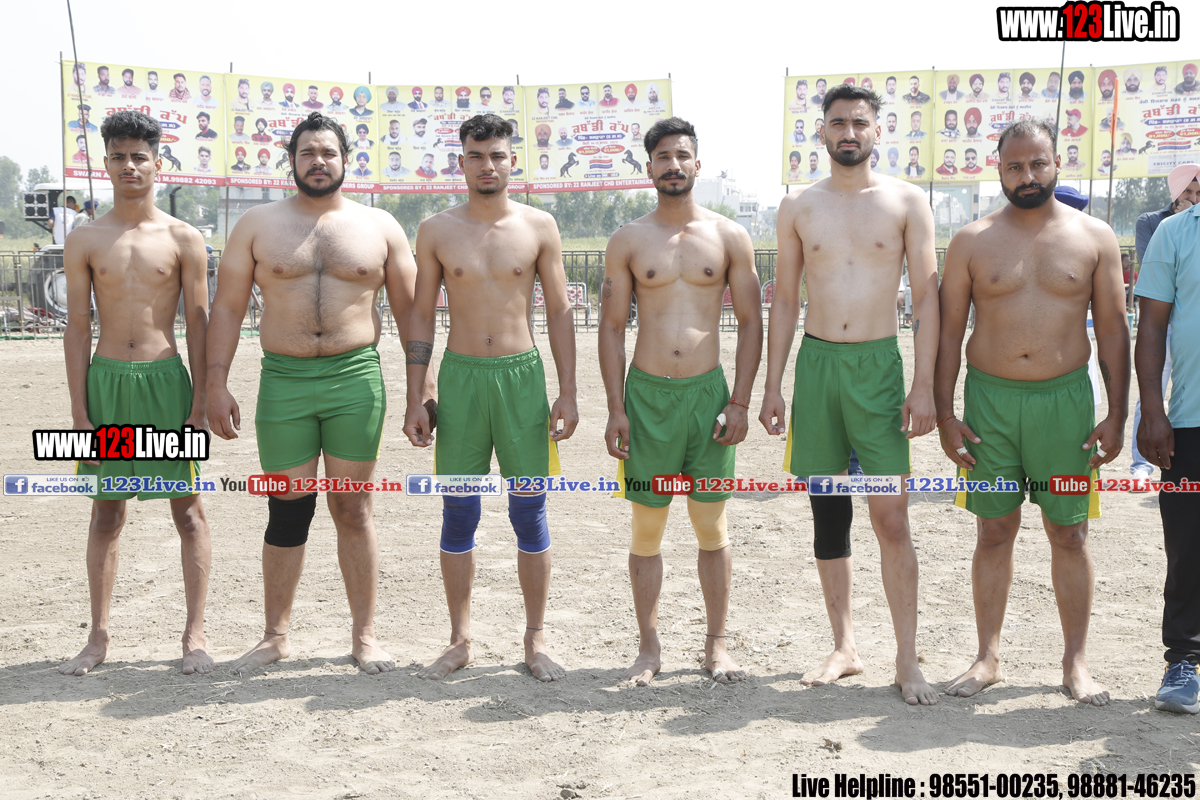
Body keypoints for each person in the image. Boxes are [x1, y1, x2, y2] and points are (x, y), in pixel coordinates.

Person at [208, 112, 426, 675]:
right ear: (292, 160)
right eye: (307, 152)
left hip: (356, 378)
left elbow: (411, 314)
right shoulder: (257, 224)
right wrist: (215, 382)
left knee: (352, 506)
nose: (318, 161)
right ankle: (275, 636)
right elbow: (227, 307)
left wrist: (420, 390)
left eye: (328, 152)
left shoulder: (380, 226)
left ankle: (365, 635)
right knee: (287, 505)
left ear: (346, 160)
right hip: (283, 379)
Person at [935, 118, 1129, 706]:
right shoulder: (971, 241)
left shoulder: (1094, 237)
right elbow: (948, 334)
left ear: (1057, 164)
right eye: (1015, 166)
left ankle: (1075, 662)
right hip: (989, 405)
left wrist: (1117, 414)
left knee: (1069, 532)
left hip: (1065, 406)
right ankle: (987, 656)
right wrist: (945, 414)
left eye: (1038, 163)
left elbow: (1114, 331)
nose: (1027, 176)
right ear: (998, 169)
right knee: (994, 529)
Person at [761, 83, 941, 706]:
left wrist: (923, 385)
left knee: (891, 517)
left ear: (876, 131)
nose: (848, 132)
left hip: (878, 368)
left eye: (859, 123)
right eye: (837, 123)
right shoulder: (798, 206)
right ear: (822, 132)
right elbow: (786, 300)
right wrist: (773, 385)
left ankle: (906, 659)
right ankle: (844, 647)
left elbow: (927, 299)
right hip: (817, 368)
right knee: (829, 511)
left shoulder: (907, 202)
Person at [403, 113, 578, 682]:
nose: (488, 165)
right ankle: (459, 640)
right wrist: (417, 392)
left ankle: (536, 637)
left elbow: (559, 310)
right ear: (462, 162)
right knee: (459, 510)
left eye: (497, 155)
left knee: (529, 509)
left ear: (512, 161)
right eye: (477, 156)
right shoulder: (436, 230)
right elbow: (421, 313)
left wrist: (568, 391)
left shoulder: (539, 226)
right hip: (460, 380)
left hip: (521, 378)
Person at [600, 116, 761, 686]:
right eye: (663, 157)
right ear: (650, 167)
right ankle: (649, 648)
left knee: (711, 525)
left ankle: (717, 645)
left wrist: (739, 402)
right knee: (647, 528)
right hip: (647, 399)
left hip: (707, 396)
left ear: (697, 163)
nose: (673, 165)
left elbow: (751, 321)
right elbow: (611, 326)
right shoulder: (628, 240)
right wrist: (616, 408)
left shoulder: (729, 236)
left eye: (682, 155)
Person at [61, 110, 212, 677]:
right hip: (106, 384)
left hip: (166, 384)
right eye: (119, 156)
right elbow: (78, 327)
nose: (129, 165)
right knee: (107, 512)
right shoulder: (85, 238)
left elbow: (199, 325)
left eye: (139, 156)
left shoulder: (183, 237)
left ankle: (194, 635)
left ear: (157, 162)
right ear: (106, 163)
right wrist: (80, 410)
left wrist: (200, 401)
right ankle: (98, 636)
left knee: (188, 511)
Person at [1134, 162, 1200, 714]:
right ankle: (1183, 660)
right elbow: (1152, 325)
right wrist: (1153, 412)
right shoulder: (1174, 233)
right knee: (1187, 545)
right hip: (1191, 420)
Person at [1129, 167, 1200, 483]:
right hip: (1168, 326)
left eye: (1198, 192)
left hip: (1181, 323)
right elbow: (1149, 264)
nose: (1193, 198)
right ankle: (1140, 464)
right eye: (1188, 191)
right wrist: (1184, 219)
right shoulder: (1156, 224)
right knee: (1153, 395)